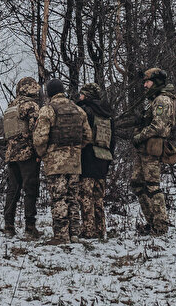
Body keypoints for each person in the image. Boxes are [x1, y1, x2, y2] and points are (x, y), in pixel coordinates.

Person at [32, 78, 92, 245]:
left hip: (55, 162)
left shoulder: (48, 110)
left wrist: (43, 154)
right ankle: (74, 234)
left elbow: (40, 138)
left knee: (59, 198)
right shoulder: (78, 110)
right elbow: (88, 136)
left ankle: (61, 236)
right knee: (73, 198)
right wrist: (76, 149)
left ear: (49, 93)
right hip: (75, 162)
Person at [130, 67, 176, 236]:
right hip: (144, 148)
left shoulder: (162, 100)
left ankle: (160, 225)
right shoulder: (155, 99)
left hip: (151, 148)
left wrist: (139, 136)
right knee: (137, 182)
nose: (145, 85)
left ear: (156, 82)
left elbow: (158, 126)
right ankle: (152, 222)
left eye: (147, 82)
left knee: (152, 185)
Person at [1, 75, 43, 239]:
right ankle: (30, 228)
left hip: (11, 154)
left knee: (13, 190)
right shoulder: (31, 105)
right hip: (27, 153)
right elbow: (36, 130)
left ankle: (8, 226)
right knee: (30, 189)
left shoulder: (10, 107)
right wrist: (39, 152)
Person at [76, 82, 113, 240]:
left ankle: (88, 230)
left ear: (87, 95)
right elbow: (113, 141)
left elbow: (82, 135)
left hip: (88, 159)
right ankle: (100, 229)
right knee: (99, 198)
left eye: (82, 94)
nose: (79, 96)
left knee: (86, 197)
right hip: (103, 160)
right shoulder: (108, 114)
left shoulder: (86, 111)